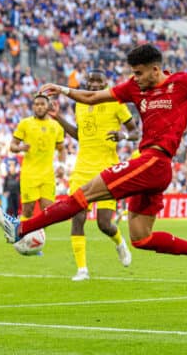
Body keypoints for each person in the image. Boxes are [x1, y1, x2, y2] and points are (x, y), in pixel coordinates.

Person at [0, 44, 187, 284]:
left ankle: (21, 228)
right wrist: (62, 89)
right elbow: (91, 97)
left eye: (138, 73)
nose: (134, 78)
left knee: (82, 195)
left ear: (155, 70)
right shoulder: (134, 88)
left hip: (155, 160)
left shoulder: (183, 82)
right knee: (140, 237)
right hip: (151, 164)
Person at [49, 69, 139, 281]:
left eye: (99, 82)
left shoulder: (116, 102)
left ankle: (119, 242)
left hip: (107, 168)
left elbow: (135, 132)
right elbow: (81, 135)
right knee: (77, 217)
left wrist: (123, 135)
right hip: (82, 169)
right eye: (91, 81)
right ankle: (82, 270)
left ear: (106, 84)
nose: (95, 85)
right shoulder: (79, 103)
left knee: (104, 224)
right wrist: (59, 118)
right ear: (86, 83)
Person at [10, 94, 65, 221]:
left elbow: (62, 149)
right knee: (27, 211)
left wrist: (61, 166)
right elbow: (12, 146)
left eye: (42, 104)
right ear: (33, 107)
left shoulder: (56, 126)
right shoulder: (25, 123)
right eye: (37, 104)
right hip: (29, 175)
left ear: (48, 106)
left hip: (48, 175)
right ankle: (24, 238)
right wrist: (20, 148)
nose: (39, 107)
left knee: (48, 213)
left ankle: (39, 241)